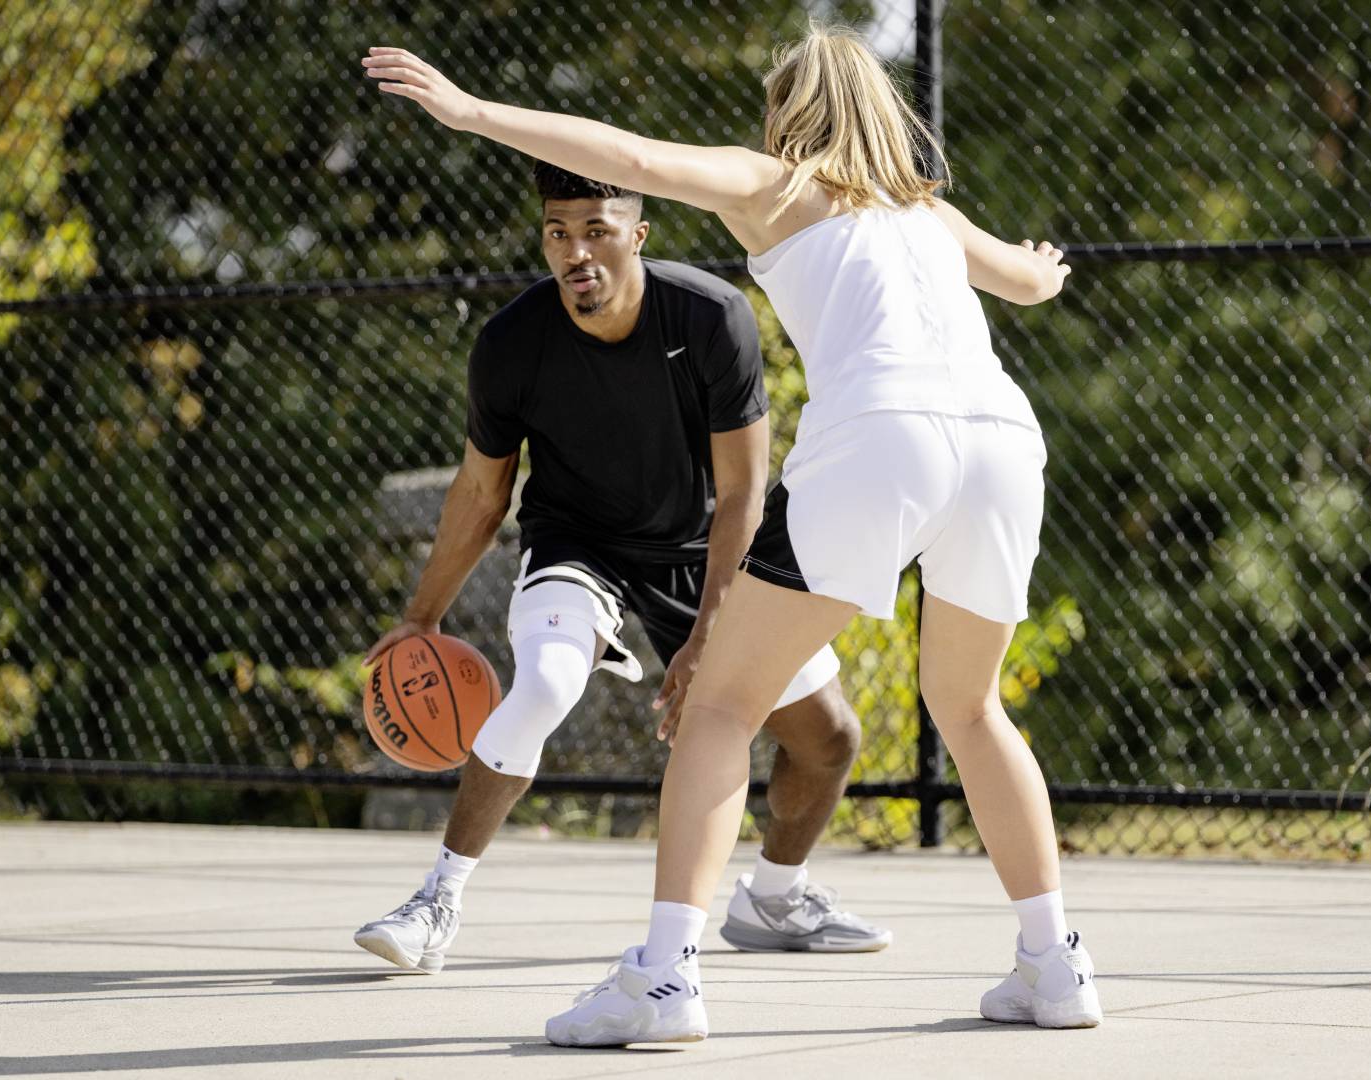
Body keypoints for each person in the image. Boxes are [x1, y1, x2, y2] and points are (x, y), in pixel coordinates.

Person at [362, 21, 1100, 1045]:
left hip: (883, 436)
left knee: (718, 706)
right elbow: (1024, 282)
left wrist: (470, 110)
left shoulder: (779, 184)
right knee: (971, 709)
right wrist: (1045, 266)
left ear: (792, 113)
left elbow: (625, 158)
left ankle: (663, 981)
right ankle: (1053, 965)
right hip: (1002, 443)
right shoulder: (927, 211)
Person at [351, 162, 891, 977]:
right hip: (579, 545)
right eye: (558, 234)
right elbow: (480, 493)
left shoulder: (712, 317)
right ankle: (437, 899)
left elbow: (744, 490)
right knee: (546, 682)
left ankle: (776, 897)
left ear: (638, 235)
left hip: (700, 548)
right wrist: (421, 616)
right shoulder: (511, 343)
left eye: (597, 231)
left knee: (829, 739)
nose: (578, 255)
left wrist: (710, 634)